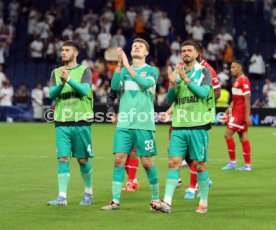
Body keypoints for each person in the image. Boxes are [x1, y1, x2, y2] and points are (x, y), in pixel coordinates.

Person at [154, 41, 214, 214]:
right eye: (183, 51)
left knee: (199, 165)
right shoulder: (177, 73)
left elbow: (203, 93)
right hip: (179, 125)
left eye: (189, 50)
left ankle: (203, 201)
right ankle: (167, 202)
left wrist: (186, 79)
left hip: (197, 125)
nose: (185, 53)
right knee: (173, 163)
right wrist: (172, 84)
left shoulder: (204, 71)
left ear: (197, 54)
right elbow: (169, 100)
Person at [101, 38, 160, 210]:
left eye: (140, 46)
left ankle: (156, 199)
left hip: (143, 123)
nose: (136, 48)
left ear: (146, 53)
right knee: (119, 160)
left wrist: (126, 65)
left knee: (147, 162)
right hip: (124, 123)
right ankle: (115, 201)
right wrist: (120, 65)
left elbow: (144, 84)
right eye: (134, 46)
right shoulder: (124, 70)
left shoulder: (152, 70)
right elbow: (113, 87)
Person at [47, 40, 94, 206]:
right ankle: (62, 197)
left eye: (67, 50)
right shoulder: (55, 72)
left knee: (82, 160)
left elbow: (84, 90)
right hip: (62, 122)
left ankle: (88, 192)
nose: (63, 53)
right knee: (63, 158)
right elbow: (52, 94)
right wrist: (61, 83)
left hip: (81, 122)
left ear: (75, 53)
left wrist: (68, 80)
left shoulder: (84, 71)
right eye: (62, 50)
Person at [106, 89, 140, 192]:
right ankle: (133, 180)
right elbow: (110, 96)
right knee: (121, 152)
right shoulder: (119, 80)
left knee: (133, 151)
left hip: (139, 118)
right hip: (123, 120)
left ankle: (130, 182)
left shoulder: (139, 77)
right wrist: (112, 113)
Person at [221, 60, 252, 171]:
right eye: (231, 67)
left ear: (240, 68)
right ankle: (247, 165)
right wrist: (226, 113)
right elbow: (234, 101)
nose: (231, 69)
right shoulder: (236, 81)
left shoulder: (243, 80)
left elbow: (247, 98)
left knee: (227, 135)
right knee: (243, 138)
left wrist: (247, 116)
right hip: (237, 112)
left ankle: (233, 162)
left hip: (240, 113)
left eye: (233, 67)